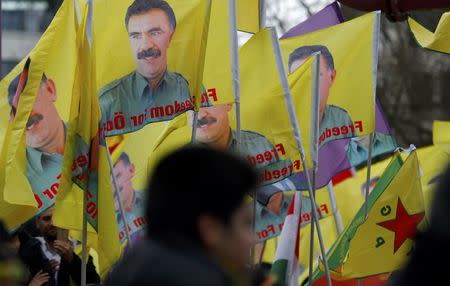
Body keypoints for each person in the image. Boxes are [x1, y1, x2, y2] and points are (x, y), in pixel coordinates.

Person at [104, 145, 257, 286]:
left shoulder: (126, 269)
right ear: (211, 229)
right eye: (246, 223)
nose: (253, 239)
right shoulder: (201, 280)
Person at [99, 0, 192, 137]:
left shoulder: (188, 89)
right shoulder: (106, 102)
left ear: (170, 36)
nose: (145, 46)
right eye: (135, 36)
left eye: (154, 33)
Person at [193, 104, 295, 185]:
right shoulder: (181, 164)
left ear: (228, 104)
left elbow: (282, 188)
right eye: (193, 107)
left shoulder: (260, 144)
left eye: (208, 104)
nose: (201, 115)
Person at [8, 72, 65, 211]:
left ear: (51, 90)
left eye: (27, 100)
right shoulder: (11, 184)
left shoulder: (92, 137)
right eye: (13, 111)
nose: (23, 117)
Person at [288, 45, 356, 147]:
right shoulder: (281, 130)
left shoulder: (341, 119)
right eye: (297, 78)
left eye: (314, 76)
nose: (305, 85)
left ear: (332, 77)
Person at [18, 208, 100, 286]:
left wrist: (72, 259)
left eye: (57, 218)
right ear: (37, 223)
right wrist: (44, 273)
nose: (52, 223)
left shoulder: (80, 249)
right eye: (47, 219)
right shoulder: (30, 248)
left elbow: (92, 282)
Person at [112, 152, 146, 245]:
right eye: (107, 183)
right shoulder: (105, 227)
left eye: (117, 177)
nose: (112, 188)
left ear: (131, 170)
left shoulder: (157, 200)